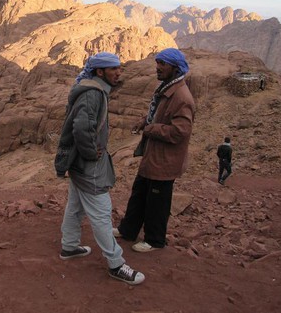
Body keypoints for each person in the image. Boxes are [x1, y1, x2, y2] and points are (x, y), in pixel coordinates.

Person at [58, 52, 145, 285]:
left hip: (80, 165)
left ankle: (69, 246)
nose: (119, 73)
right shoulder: (93, 94)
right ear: (99, 72)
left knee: (75, 206)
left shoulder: (93, 90)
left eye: (119, 68)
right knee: (102, 213)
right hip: (89, 166)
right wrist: (89, 152)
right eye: (113, 69)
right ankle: (116, 265)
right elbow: (80, 127)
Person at [114, 48, 195, 252]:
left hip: (165, 160)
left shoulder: (182, 97)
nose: (157, 68)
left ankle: (154, 240)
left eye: (162, 64)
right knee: (139, 194)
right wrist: (145, 121)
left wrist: (150, 128)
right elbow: (159, 115)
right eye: (157, 62)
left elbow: (180, 131)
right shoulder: (166, 89)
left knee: (157, 202)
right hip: (153, 156)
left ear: (175, 68)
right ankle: (128, 230)